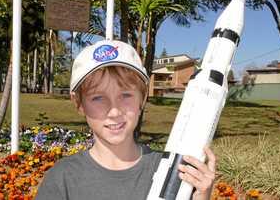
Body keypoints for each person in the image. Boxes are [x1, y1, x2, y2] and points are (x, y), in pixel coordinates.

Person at [35, 40, 216, 200]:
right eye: (98, 98)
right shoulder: (62, 179)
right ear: (79, 103)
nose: (114, 111)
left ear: (142, 98)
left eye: (126, 95)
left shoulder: (173, 173)